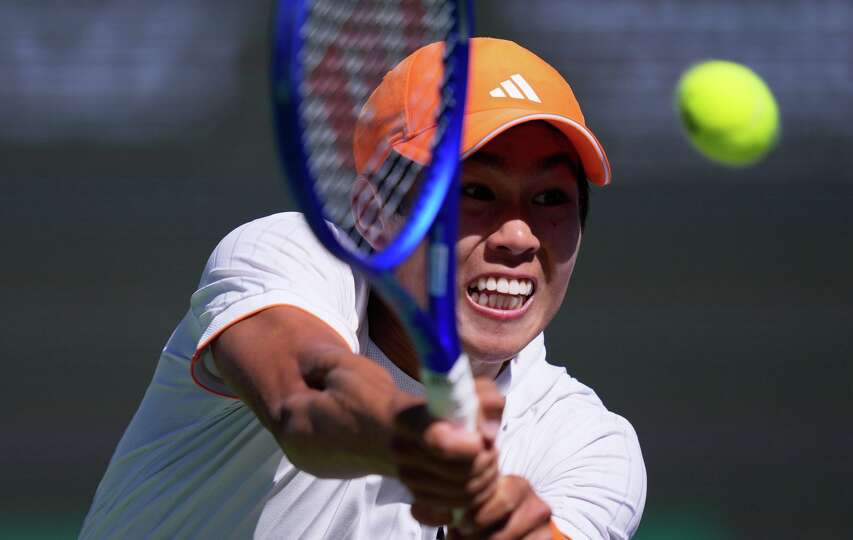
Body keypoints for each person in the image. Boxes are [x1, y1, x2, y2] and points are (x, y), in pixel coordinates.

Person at [80, 37, 645, 540]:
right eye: (474, 191)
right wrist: (413, 438)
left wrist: (489, 520)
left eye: (550, 199)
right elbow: (308, 401)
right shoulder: (287, 253)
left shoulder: (590, 445)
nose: (519, 235)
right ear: (373, 214)